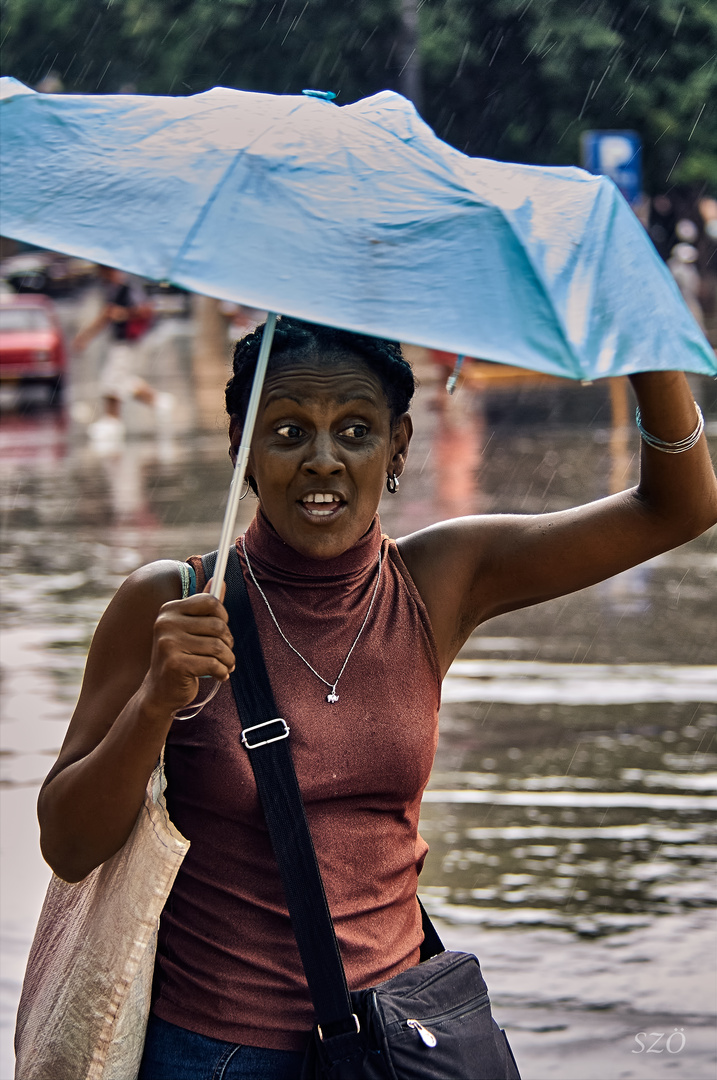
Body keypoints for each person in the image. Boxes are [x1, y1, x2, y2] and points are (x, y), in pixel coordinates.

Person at [37, 317, 717, 1079]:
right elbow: (67, 846)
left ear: (397, 446)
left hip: (397, 1045)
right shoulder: (172, 602)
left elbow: (677, 509)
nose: (322, 461)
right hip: (214, 1054)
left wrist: (648, 348)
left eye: (354, 431)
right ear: (242, 447)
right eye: (288, 431)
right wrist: (155, 701)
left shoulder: (439, 579)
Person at [73, 266, 173, 444]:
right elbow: (105, 317)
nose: (101, 275)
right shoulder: (111, 289)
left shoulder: (127, 288)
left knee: (111, 381)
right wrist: (85, 337)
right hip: (120, 342)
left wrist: (124, 314)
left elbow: (146, 309)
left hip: (128, 343)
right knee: (122, 381)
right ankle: (158, 402)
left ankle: (113, 422)